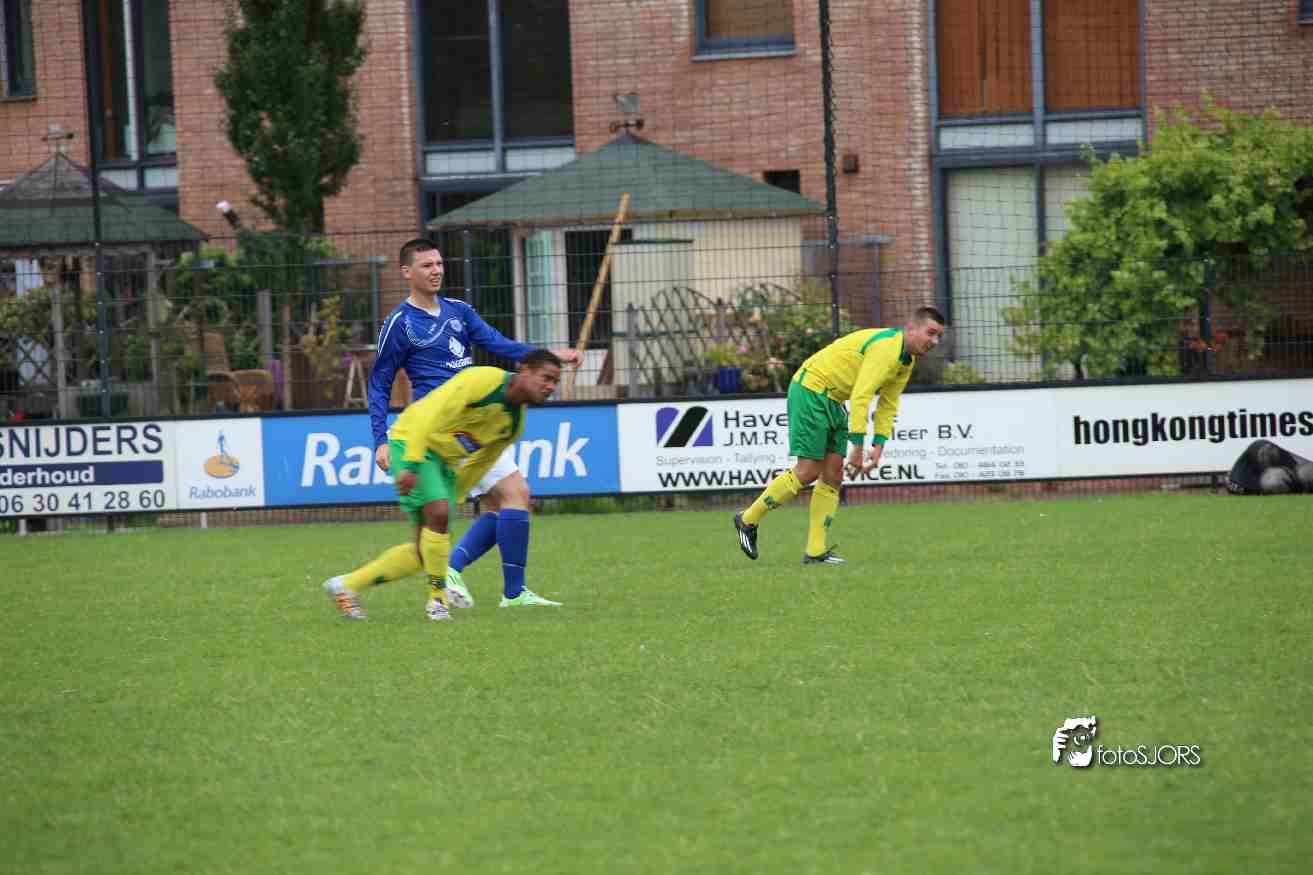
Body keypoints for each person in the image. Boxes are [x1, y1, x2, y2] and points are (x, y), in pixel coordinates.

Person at [367, 238, 578, 614]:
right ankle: (506, 591)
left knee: (500, 504)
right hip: (446, 426)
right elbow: (380, 381)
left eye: (439, 263)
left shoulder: (459, 311)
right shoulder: (400, 323)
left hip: (479, 417)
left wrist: (546, 356)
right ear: (406, 272)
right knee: (515, 494)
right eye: (427, 265)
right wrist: (380, 439)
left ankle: (458, 573)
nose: (436, 271)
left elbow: (497, 343)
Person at [324, 351, 565, 621]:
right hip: (412, 440)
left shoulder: (514, 423)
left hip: (443, 462)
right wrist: (411, 463)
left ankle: (346, 585)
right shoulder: (483, 381)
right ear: (525, 370)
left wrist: (457, 493)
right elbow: (429, 415)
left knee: (423, 552)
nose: (550, 387)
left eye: (555, 382)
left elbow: (481, 462)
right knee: (438, 514)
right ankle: (437, 602)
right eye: (546, 378)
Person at [733, 306, 947, 564]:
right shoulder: (887, 349)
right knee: (808, 471)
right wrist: (857, 447)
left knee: (833, 476)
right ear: (911, 328)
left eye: (938, 336)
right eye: (931, 333)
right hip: (811, 390)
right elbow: (861, 396)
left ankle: (815, 552)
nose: (935, 341)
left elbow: (888, 404)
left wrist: (878, 446)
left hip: (833, 400)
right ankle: (748, 519)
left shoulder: (906, 360)